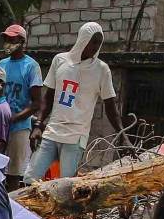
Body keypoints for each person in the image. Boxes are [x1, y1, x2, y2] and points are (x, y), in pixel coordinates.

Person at [31, 21, 122, 180]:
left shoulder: (101, 69)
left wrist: (122, 134)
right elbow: (48, 97)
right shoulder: (60, 60)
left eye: (99, 43)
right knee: (31, 178)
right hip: (52, 132)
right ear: (83, 39)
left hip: (76, 136)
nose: (96, 46)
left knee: (66, 184)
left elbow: (110, 107)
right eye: (93, 41)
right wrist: (38, 125)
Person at [0, 23, 44, 187]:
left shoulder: (31, 66)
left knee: (14, 174)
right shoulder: (1, 64)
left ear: (21, 41)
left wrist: (14, 118)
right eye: (6, 38)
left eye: (12, 38)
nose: (8, 41)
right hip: (0, 126)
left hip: (19, 127)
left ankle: (12, 209)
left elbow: (37, 102)